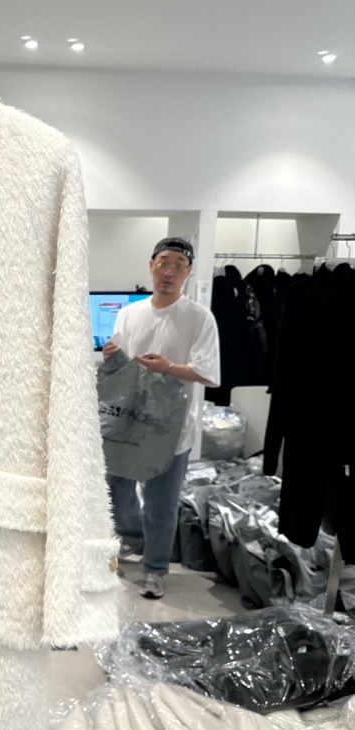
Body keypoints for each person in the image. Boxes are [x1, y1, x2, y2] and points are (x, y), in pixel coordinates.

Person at [102, 237, 220, 599]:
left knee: (160, 503)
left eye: (178, 266)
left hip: (170, 430)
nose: (169, 272)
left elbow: (208, 373)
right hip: (128, 420)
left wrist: (168, 368)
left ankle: (154, 569)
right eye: (163, 263)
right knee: (116, 488)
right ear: (151, 265)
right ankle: (133, 537)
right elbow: (123, 362)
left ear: (188, 272)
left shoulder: (198, 318)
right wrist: (112, 355)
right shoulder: (130, 313)